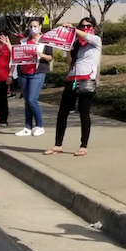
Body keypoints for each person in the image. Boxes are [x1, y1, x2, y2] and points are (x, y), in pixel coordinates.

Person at [44, 18, 101, 157]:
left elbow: (85, 36)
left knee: (84, 113)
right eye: (82, 25)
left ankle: (83, 145)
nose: (85, 27)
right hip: (72, 78)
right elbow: (70, 62)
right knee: (62, 112)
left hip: (86, 79)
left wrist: (72, 29)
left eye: (88, 25)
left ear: (93, 27)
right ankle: (58, 144)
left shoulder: (95, 40)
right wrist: (68, 47)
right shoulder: (75, 43)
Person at [15, 19, 54, 136]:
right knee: (27, 101)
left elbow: (50, 57)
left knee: (32, 99)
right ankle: (27, 127)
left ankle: (40, 125)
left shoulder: (45, 42)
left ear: (40, 27)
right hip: (24, 73)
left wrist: (41, 55)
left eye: (35, 26)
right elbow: (16, 55)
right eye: (31, 26)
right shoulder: (24, 41)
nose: (33, 28)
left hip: (37, 73)